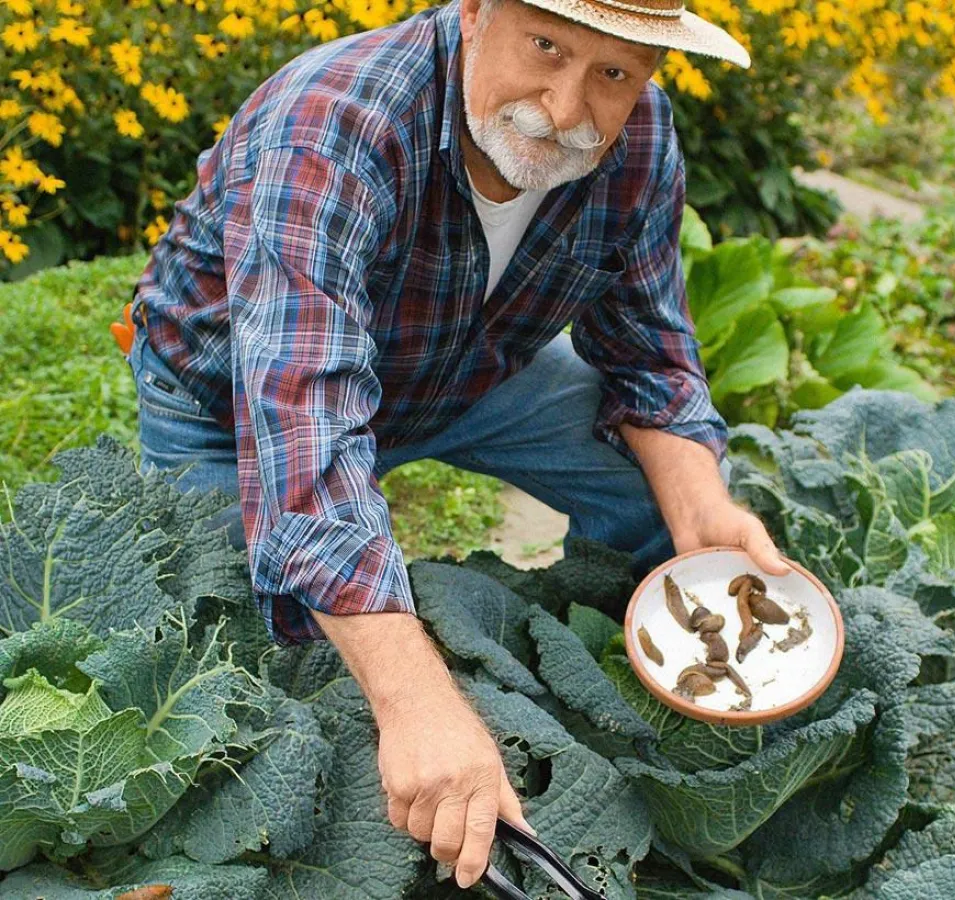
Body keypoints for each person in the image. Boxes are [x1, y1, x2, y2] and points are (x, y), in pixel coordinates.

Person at [123, 0, 789, 887]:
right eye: (546, 46)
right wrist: (419, 703)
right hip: (236, 408)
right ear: (475, 12)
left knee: (663, 500)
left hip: (473, 370)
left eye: (613, 72)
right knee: (255, 674)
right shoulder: (334, 122)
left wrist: (702, 511)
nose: (565, 109)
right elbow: (307, 429)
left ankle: (628, 693)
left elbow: (647, 350)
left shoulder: (638, 133)